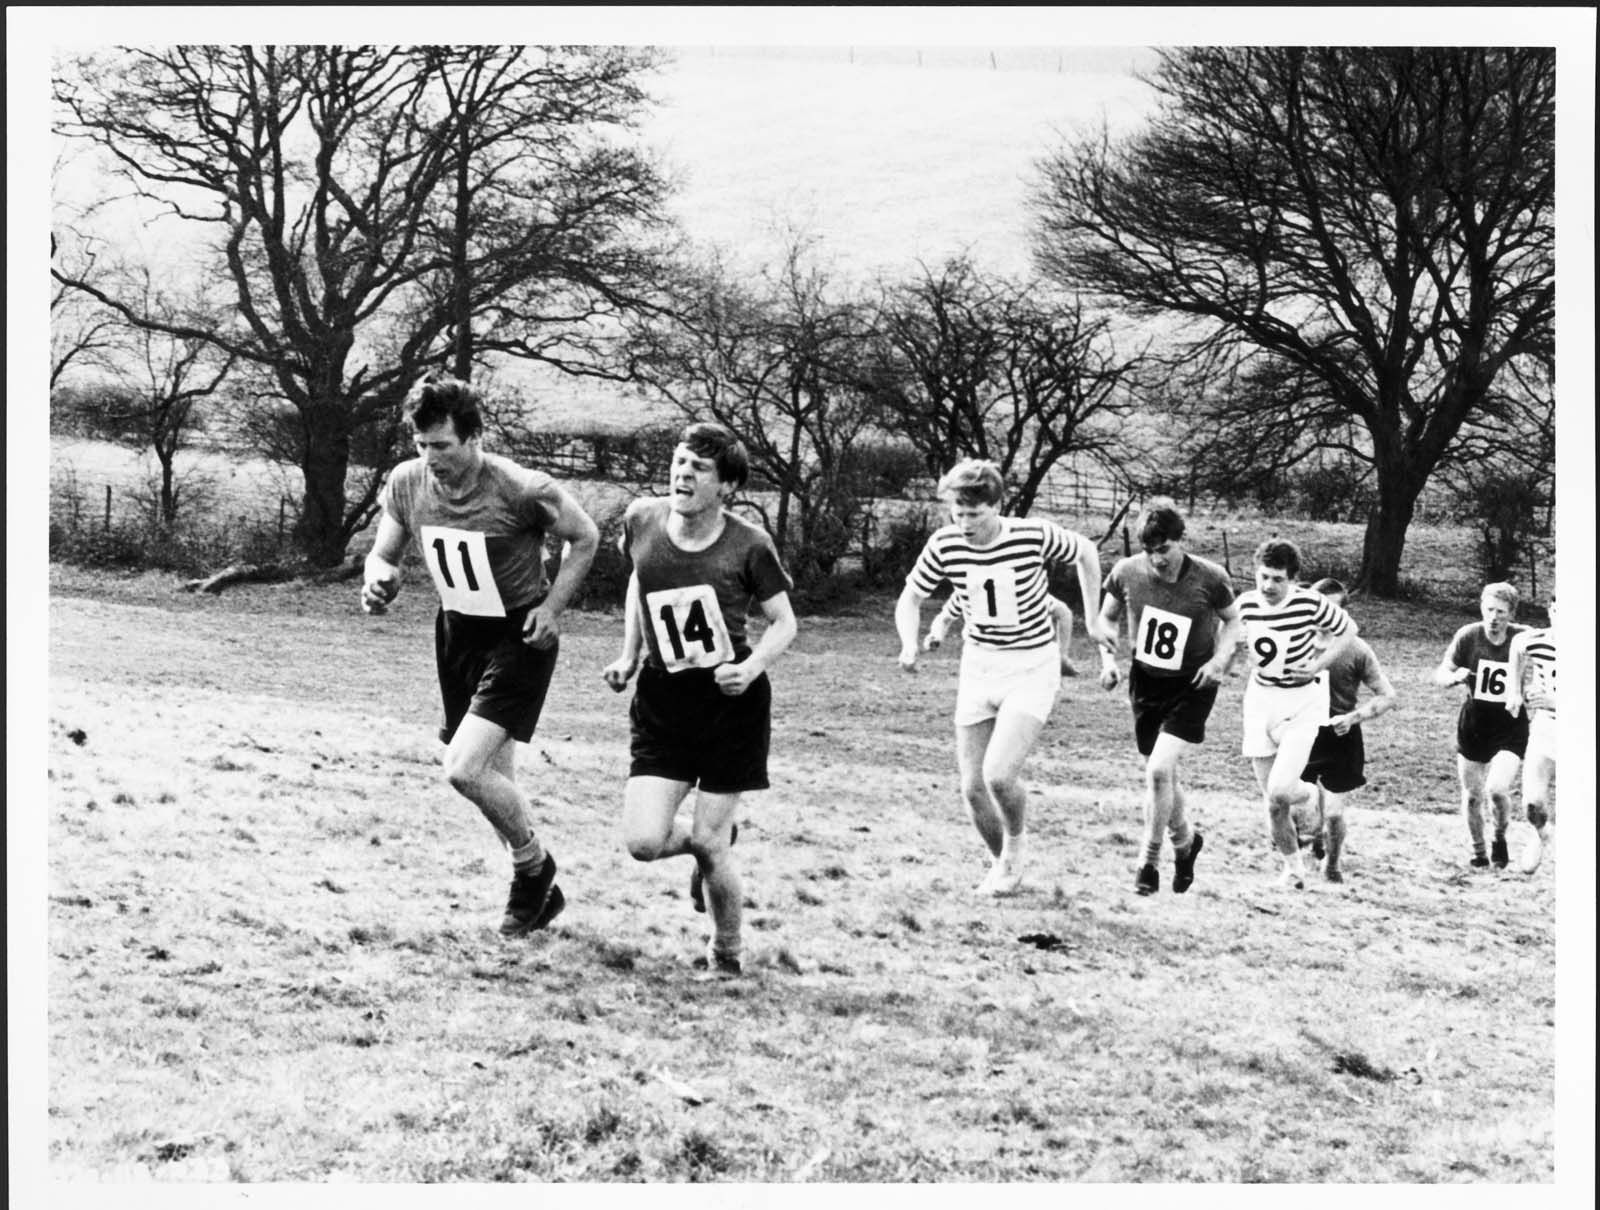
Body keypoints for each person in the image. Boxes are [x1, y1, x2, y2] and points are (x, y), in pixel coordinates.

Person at [362, 373, 600, 935]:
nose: (430, 458)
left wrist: (554, 607)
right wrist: (380, 579)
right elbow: (383, 552)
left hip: (519, 635)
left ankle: (533, 869)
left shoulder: (520, 487)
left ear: (474, 437)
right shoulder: (407, 482)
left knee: (463, 769)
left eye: (441, 446)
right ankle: (540, 894)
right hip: (458, 633)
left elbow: (585, 536)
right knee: (495, 780)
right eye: (421, 446)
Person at [601, 422, 797, 976]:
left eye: (699, 469)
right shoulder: (641, 519)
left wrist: (751, 664)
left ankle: (726, 954)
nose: (683, 475)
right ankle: (711, 842)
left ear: (726, 487)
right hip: (663, 700)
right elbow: (641, 582)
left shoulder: (749, 544)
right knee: (642, 842)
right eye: (680, 463)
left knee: (712, 847)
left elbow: (785, 623)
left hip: (728, 704)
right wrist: (629, 655)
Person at [894, 458, 1112, 897]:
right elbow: (910, 598)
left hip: (1031, 664)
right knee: (973, 788)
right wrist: (909, 642)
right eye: (957, 512)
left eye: (974, 514)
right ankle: (1004, 867)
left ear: (996, 506)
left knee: (998, 775)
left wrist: (1092, 620)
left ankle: (1013, 853)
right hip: (979, 665)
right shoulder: (943, 545)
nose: (964, 523)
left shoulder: (1031, 534)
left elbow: (1086, 551)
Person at [1096, 498, 1242, 896]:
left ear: (1181, 541)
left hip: (1193, 683)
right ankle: (1186, 842)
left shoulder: (1210, 577)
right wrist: (1107, 657)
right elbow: (1104, 618)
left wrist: (1219, 661)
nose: (1157, 559)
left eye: (1164, 549)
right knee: (1163, 776)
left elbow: (1234, 623)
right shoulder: (1126, 572)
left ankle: (1148, 861)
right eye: (1149, 550)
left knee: (1159, 771)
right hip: (1146, 682)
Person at [1231, 539, 1360, 890]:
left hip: (1303, 701)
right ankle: (1294, 870)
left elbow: (1349, 630)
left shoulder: (1309, 603)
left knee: (1279, 791)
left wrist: (1317, 665)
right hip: (1261, 700)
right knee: (1272, 800)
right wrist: (1230, 658)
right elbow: (1230, 637)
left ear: (1293, 579)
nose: (1269, 586)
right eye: (1264, 577)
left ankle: (1306, 797)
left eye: (1277, 579)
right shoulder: (1245, 604)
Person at [1292, 578, 1398, 883]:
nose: (1323, 617)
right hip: (1301, 733)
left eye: (1333, 610)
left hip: (1341, 735)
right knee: (1297, 803)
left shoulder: (1356, 649)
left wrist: (1354, 717)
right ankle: (1302, 845)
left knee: (1335, 814)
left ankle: (1333, 864)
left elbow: (1387, 695)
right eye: (1318, 608)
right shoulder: (1294, 641)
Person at [1432, 582, 1529, 869]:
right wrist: (1452, 677)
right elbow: (1441, 671)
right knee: (1473, 794)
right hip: (1475, 723)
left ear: (1511, 613)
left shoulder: (1522, 637)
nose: (1494, 617)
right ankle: (1478, 853)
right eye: (1489, 609)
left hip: (1510, 723)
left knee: (1497, 789)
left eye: (1501, 611)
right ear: (1481, 608)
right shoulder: (1468, 636)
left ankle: (1499, 837)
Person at [1505, 592, 1556, 874]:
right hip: (1547, 729)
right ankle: (1540, 834)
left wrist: (1555, 702)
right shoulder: (1537, 640)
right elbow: (1517, 646)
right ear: (1551, 610)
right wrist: (1514, 690)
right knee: (1532, 804)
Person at [925, 592, 1080, 675]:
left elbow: (1063, 612)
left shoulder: (1024, 589)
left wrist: (1062, 656)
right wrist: (935, 635)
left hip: (1021, 663)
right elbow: (945, 618)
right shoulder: (966, 589)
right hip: (981, 662)